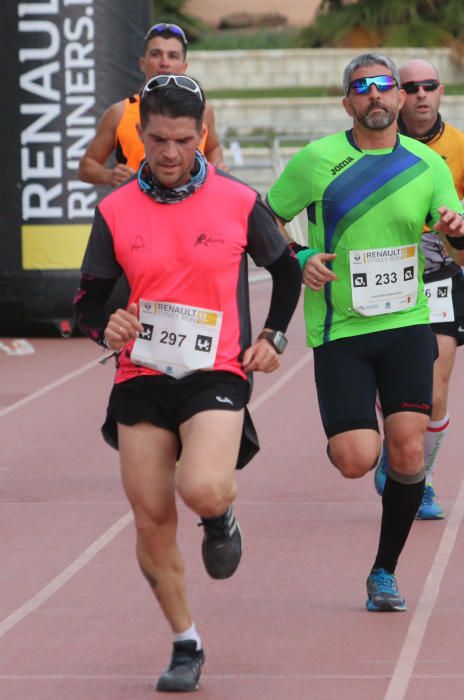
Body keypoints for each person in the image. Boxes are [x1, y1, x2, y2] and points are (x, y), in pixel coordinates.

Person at [73, 75, 301, 692]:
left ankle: (221, 515)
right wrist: (107, 326)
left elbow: (287, 272)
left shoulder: (237, 200)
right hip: (141, 374)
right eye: (155, 140)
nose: (168, 153)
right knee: (150, 518)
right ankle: (185, 642)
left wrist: (274, 337)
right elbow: (88, 303)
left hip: (216, 370)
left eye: (180, 139)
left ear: (202, 134)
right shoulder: (115, 210)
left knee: (200, 488)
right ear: (138, 135)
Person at [265, 53, 464, 612]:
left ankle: (384, 571)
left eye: (384, 86)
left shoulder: (427, 165)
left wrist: (459, 231)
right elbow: (265, 218)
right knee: (357, 457)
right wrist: (299, 253)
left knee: (408, 453)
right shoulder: (316, 160)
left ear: (400, 99)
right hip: (340, 330)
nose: (375, 95)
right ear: (347, 102)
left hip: (407, 321)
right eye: (362, 88)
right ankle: (361, 437)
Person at [370, 58, 464, 520]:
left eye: (429, 85)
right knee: (391, 386)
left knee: (436, 389)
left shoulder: (462, 148)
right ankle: (396, 445)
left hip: (441, 279)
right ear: (397, 95)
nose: (421, 94)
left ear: (441, 91)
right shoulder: (377, 144)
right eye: (411, 87)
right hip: (386, 277)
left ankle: (419, 478)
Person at [79, 22, 224, 188]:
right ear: (142, 63)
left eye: (173, 56)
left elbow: (213, 148)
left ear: (184, 67)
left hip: (192, 206)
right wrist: (109, 175)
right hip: (137, 207)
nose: (164, 62)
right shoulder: (119, 112)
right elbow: (86, 166)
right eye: (156, 54)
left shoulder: (203, 110)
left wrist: (216, 166)